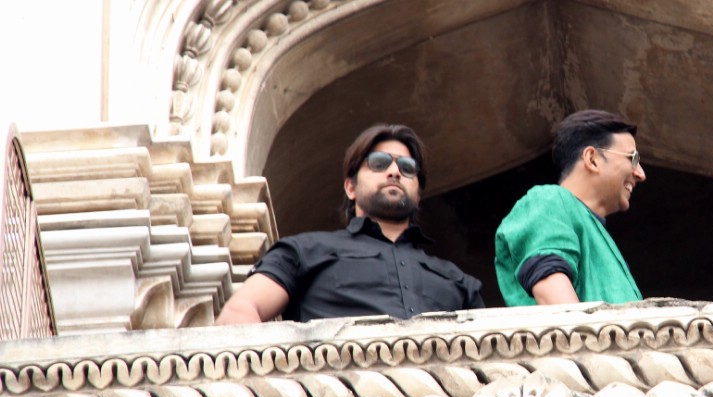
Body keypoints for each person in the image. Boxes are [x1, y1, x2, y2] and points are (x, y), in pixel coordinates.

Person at [215, 124, 484, 324]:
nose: (394, 172)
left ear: (418, 192)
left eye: (407, 167)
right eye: (379, 163)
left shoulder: (458, 281)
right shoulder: (305, 251)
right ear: (350, 187)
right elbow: (238, 313)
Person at [495, 109, 646, 305]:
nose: (641, 174)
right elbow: (561, 311)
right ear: (592, 159)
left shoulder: (597, 233)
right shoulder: (547, 200)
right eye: (632, 158)